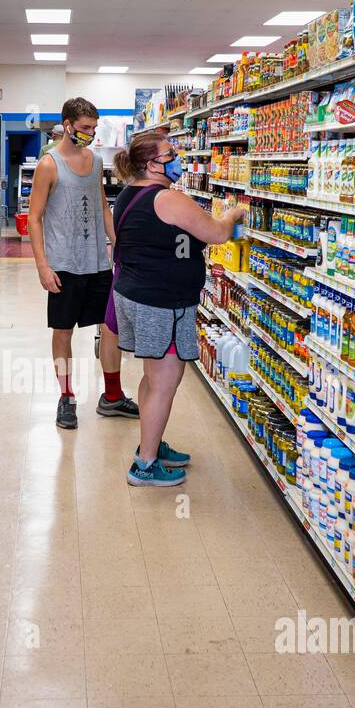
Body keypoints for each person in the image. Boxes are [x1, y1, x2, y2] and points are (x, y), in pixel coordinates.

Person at [110, 132, 247, 486]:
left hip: (136, 296)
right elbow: (217, 233)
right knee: (164, 383)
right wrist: (233, 214)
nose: (178, 159)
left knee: (153, 378)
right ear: (152, 164)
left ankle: (149, 443)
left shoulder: (129, 193)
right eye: (171, 154)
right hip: (161, 304)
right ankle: (145, 465)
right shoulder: (168, 199)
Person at [27, 97, 137, 429]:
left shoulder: (94, 160)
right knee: (63, 333)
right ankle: (66, 397)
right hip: (63, 265)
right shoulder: (49, 164)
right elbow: (34, 218)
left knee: (110, 330)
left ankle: (113, 395)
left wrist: (117, 245)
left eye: (93, 127)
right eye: (85, 128)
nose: (89, 134)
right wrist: (43, 267)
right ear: (68, 124)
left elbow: (104, 207)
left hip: (98, 264)